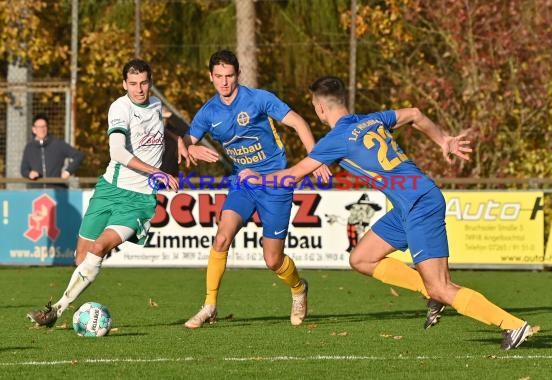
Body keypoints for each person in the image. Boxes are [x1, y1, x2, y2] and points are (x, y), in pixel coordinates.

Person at [239, 76, 534, 350]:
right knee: (362, 258)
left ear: (319, 108)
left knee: (442, 287)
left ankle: (512, 325)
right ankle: (429, 291)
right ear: (344, 101)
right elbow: (416, 113)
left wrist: (255, 177)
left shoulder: (335, 139)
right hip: (409, 203)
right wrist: (444, 139)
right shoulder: (373, 119)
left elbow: (291, 176)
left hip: (419, 203)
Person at [27, 59, 186, 327]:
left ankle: (55, 310)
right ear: (125, 84)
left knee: (99, 247)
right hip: (108, 191)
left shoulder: (157, 106)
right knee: (81, 258)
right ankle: (70, 306)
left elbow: (160, 128)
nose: (139, 89)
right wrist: (156, 171)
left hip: (139, 200)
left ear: (151, 83)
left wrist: (180, 141)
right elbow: (118, 152)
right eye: (133, 84)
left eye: (144, 83)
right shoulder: (120, 108)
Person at [182, 50, 331, 329]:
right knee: (221, 238)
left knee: (273, 260)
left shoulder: (259, 99)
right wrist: (189, 146)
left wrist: (316, 159)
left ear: (238, 75)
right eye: (219, 77)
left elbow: (299, 122)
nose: (224, 83)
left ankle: (298, 288)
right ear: (211, 77)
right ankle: (209, 305)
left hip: (276, 183)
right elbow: (186, 138)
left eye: (229, 76)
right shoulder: (209, 112)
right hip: (243, 182)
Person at [20, 113, 85, 188]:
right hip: (36, 192)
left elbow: (79, 155)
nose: (42, 129)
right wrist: (29, 173)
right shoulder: (29, 148)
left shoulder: (58, 144)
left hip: (57, 191)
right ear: (34, 129)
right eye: (39, 127)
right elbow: (23, 169)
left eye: (44, 126)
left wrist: (68, 171)